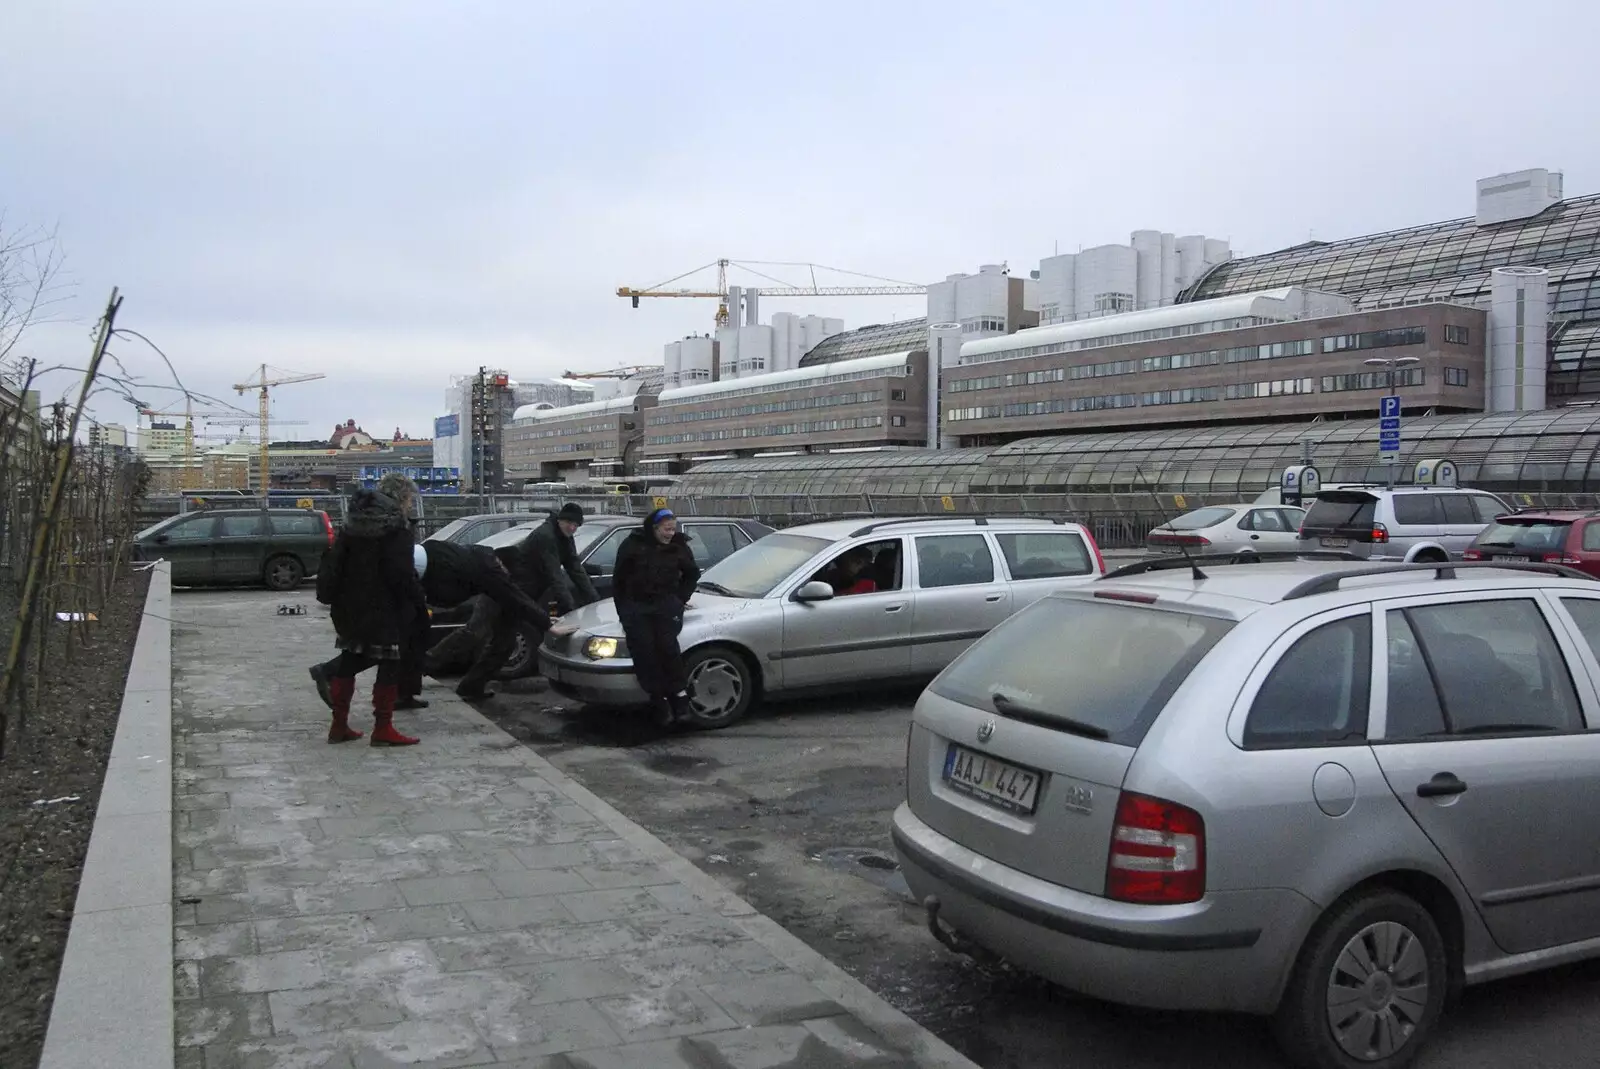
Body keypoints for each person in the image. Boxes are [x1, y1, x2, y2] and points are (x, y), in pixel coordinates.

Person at [317, 486, 428, 747]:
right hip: (385, 610)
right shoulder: (396, 531)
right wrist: (417, 602)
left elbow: (335, 566)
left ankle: (339, 725)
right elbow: (401, 576)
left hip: (348, 609)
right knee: (389, 666)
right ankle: (383, 728)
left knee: (348, 661)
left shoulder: (350, 529)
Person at [612, 507, 701, 725]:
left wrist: (679, 600)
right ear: (654, 528)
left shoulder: (679, 547)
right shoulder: (633, 545)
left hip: (665, 606)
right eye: (666, 529)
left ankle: (680, 700)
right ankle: (658, 702)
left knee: (668, 649)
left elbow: (692, 574)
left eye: (673, 529)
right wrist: (625, 612)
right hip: (637, 607)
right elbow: (619, 582)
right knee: (645, 653)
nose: (670, 534)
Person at [516, 503, 600, 614]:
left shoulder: (565, 536)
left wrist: (595, 601)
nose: (572, 528)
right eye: (569, 523)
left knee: (553, 614)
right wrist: (572, 610)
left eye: (576, 525)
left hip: (541, 588)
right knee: (543, 621)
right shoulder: (546, 536)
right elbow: (554, 575)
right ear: (560, 520)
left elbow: (575, 568)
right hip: (524, 589)